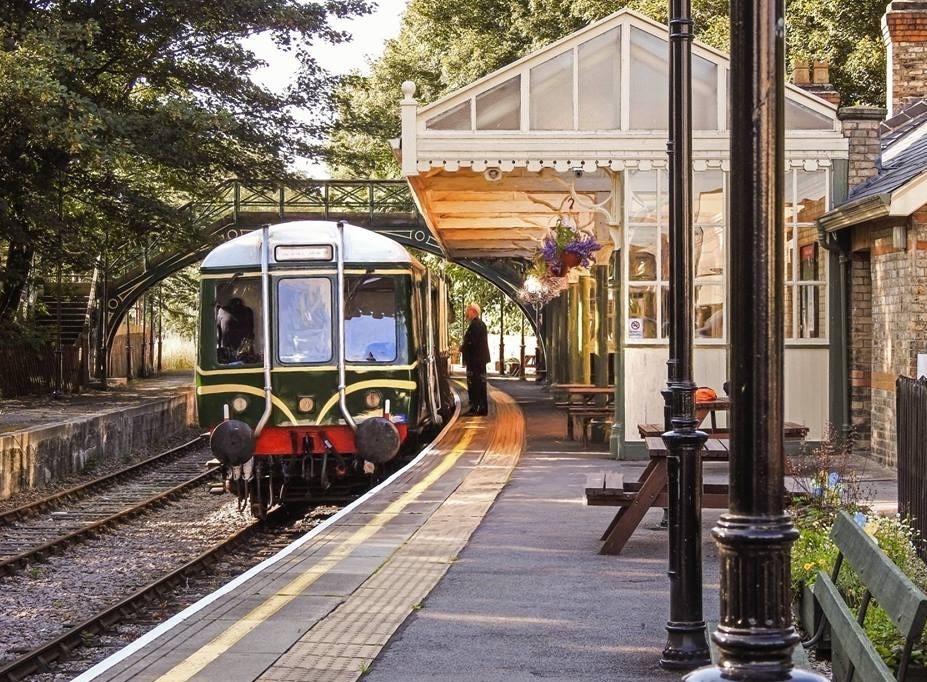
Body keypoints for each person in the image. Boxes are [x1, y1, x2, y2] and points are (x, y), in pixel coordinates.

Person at [460, 303, 490, 416]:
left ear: (473, 311)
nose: (466, 313)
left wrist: (463, 347)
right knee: (480, 384)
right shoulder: (480, 324)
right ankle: (481, 407)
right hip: (479, 360)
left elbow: (472, 343)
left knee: (475, 384)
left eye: (468, 310)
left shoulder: (475, 325)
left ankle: (476, 407)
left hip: (475, 361)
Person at [216, 297, 255, 362]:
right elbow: (218, 331)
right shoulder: (222, 311)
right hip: (230, 350)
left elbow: (218, 332)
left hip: (241, 350)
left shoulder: (222, 311)